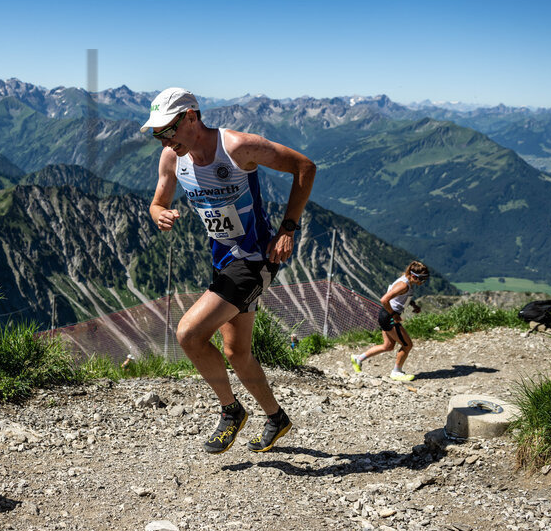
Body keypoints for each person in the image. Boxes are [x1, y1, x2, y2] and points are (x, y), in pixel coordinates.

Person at [145, 87, 315, 454]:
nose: (163, 139)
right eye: (157, 134)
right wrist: (160, 214)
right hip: (222, 259)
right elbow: (158, 201)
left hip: (254, 259)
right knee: (237, 352)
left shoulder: (238, 147)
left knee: (189, 334)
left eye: (167, 130)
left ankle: (230, 411)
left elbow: (305, 167)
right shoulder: (171, 157)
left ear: (191, 117)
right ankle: (276, 418)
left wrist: (288, 228)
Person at [349, 261, 429, 381]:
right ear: (413, 276)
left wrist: (412, 304)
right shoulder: (404, 285)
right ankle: (396, 372)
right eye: (422, 279)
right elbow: (384, 299)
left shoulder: (406, 281)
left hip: (385, 315)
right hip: (389, 316)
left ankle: (358, 359)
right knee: (407, 345)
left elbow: (400, 297)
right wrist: (394, 315)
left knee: (388, 346)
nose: (423, 282)